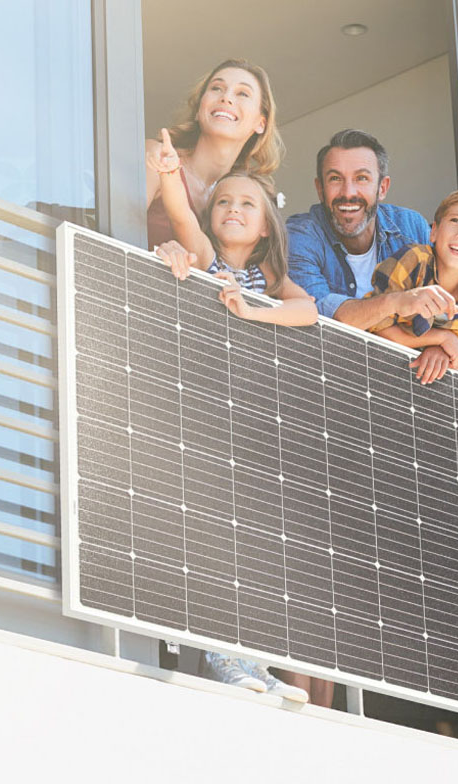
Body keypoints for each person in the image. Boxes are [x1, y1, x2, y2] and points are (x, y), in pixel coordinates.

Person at [147, 133, 314, 704]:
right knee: (215, 536)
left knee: (253, 546)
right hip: (200, 416)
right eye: (223, 201)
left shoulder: (269, 284)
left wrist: (254, 313)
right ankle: (221, 656)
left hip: (245, 424)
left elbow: (307, 310)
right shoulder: (206, 257)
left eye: (247, 204)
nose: (234, 210)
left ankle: (259, 663)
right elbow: (179, 217)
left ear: (266, 226)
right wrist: (171, 174)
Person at [286, 129, 458, 385]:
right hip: (328, 375)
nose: (348, 192)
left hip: (401, 386)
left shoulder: (410, 226)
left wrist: (455, 352)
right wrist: (399, 304)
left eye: (362, 178)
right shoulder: (299, 235)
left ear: (383, 188)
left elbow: (443, 315)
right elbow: (317, 318)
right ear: (320, 189)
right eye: (335, 179)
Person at [366, 187, 458, 386]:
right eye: (455, 221)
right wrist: (441, 338)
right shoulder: (414, 260)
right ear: (434, 231)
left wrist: (443, 350)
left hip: (417, 388)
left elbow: (457, 358)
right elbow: (375, 327)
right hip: (375, 368)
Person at [146, 58, 282, 250]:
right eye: (217, 88)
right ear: (199, 108)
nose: (226, 98)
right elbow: (113, 234)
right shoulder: (157, 158)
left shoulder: (245, 202)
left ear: (261, 123)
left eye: (243, 93)